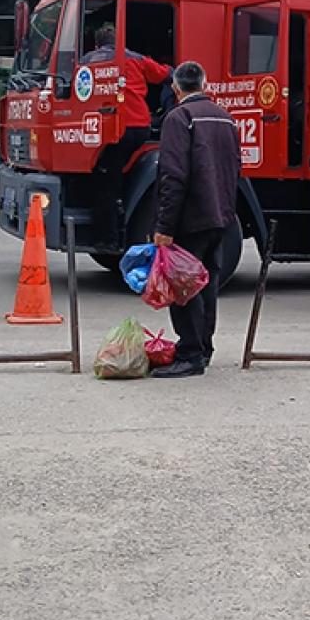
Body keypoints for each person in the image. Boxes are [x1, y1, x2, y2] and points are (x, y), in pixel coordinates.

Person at [152, 60, 241, 378]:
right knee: (208, 285)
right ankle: (203, 348)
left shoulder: (179, 118)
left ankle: (190, 354)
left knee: (184, 287)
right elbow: (235, 169)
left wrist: (164, 226)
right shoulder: (225, 118)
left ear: (175, 88)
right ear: (205, 85)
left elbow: (173, 175)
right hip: (220, 217)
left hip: (190, 219)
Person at [81, 24, 172, 247]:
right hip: (140, 127)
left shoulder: (88, 61)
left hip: (114, 129)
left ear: (97, 44)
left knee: (107, 184)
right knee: (119, 174)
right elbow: (167, 74)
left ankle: (108, 239)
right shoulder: (136, 59)